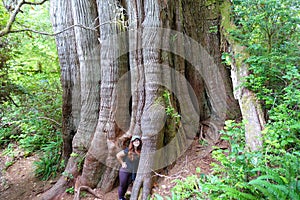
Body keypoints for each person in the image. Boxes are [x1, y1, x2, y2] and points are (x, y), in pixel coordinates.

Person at [116, 135, 142, 200]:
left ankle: (123, 197)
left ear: (140, 142)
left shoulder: (141, 151)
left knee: (127, 185)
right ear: (132, 142)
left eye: (138, 140)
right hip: (124, 171)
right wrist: (122, 163)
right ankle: (120, 198)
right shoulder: (128, 150)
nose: (136, 142)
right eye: (135, 141)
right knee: (122, 185)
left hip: (132, 172)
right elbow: (118, 155)